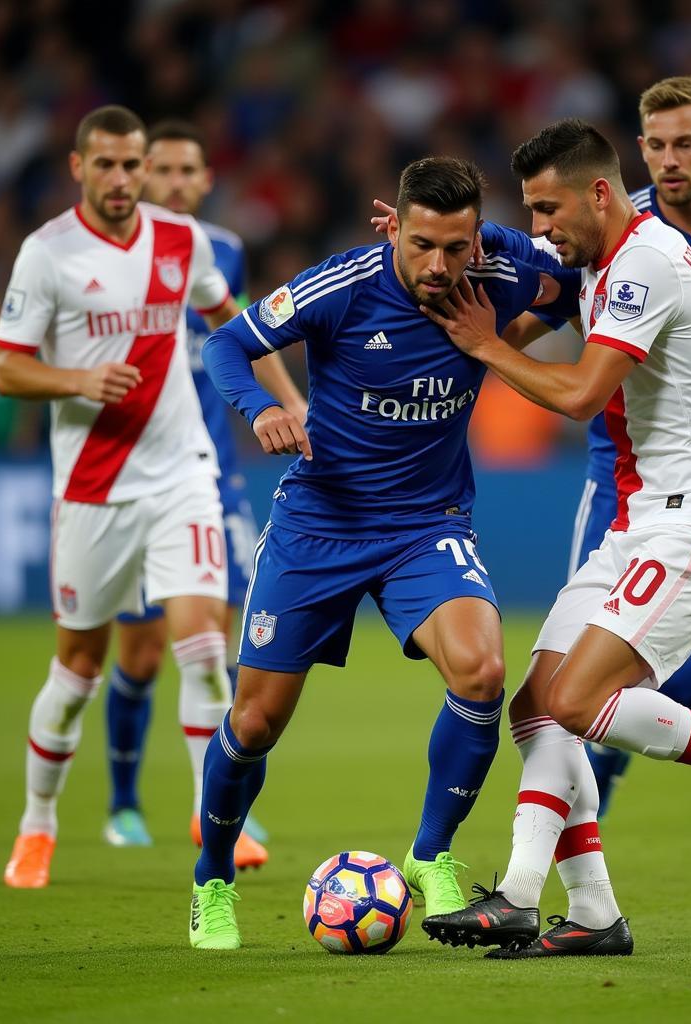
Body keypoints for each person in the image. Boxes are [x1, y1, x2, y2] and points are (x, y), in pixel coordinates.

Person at [417, 119, 691, 958]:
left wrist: (488, 345)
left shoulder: (643, 262)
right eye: (530, 212)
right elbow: (525, 254)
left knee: (577, 702)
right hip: (643, 521)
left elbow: (578, 396)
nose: (541, 231)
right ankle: (595, 916)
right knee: (536, 710)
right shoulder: (607, 259)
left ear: (597, 193)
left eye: (548, 210)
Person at [187, 156, 572, 950]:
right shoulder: (343, 284)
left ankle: (430, 855)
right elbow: (226, 345)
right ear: (392, 226)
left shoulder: (496, 266)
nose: (439, 266)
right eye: (422, 244)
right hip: (318, 526)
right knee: (254, 722)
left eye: (456, 247)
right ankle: (213, 880)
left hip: (425, 525)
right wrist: (259, 407)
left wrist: (498, 332)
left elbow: (567, 283)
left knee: (484, 672)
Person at [0, 105, 266, 889]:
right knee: (78, 670)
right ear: (79, 167)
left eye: (132, 164)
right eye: (105, 164)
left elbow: (232, 321)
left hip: (183, 473)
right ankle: (37, 825)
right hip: (92, 489)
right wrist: (76, 379)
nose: (121, 179)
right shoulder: (46, 254)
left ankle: (214, 824)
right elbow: (8, 367)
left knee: (206, 650)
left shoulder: (184, 241)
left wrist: (279, 395)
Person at [101, 119, 305, 860]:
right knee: (142, 653)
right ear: (144, 176)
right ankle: (123, 803)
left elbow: (247, 334)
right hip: (133, 475)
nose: (179, 183)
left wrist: (291, 404)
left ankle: (217, 808)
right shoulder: (115, 256)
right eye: (166, 171)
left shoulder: (220, 250)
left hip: (211, 475)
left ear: (206, 179)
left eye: (192, 171)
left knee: (220, 640)